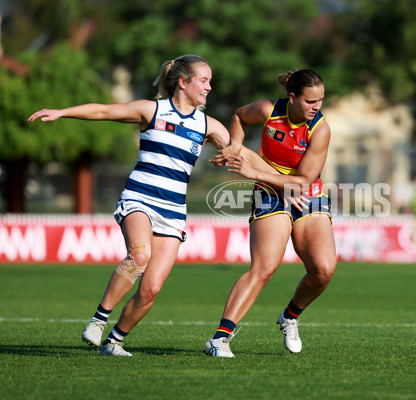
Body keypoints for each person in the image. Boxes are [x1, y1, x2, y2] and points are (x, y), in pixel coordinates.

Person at [27, 54, 274, 356]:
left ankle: (114, 341)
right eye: (204, 80)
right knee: (139, 256)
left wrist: (291, 180)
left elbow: (245, 156)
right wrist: (62, 112)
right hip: (139, 198)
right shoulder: (152, 110)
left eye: (210, 81)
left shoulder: (209, 126)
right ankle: (97, 320)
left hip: (173, 211)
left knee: (151, 289)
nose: (210, 87)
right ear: (183, 82)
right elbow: (105, 111)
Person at [204, 68, 337, 358]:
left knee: (324, 270)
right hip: (269, 193)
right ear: (292, 98)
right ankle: (220, 339)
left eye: (320, 101)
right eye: (311, 101)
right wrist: (235, 144)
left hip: (306, 195)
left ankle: (290, 316)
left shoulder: (321, 129)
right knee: (264, 267)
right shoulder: (269, 110)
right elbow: (239, 116)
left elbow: (303, 181)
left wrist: (251, 171)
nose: (317, 107)